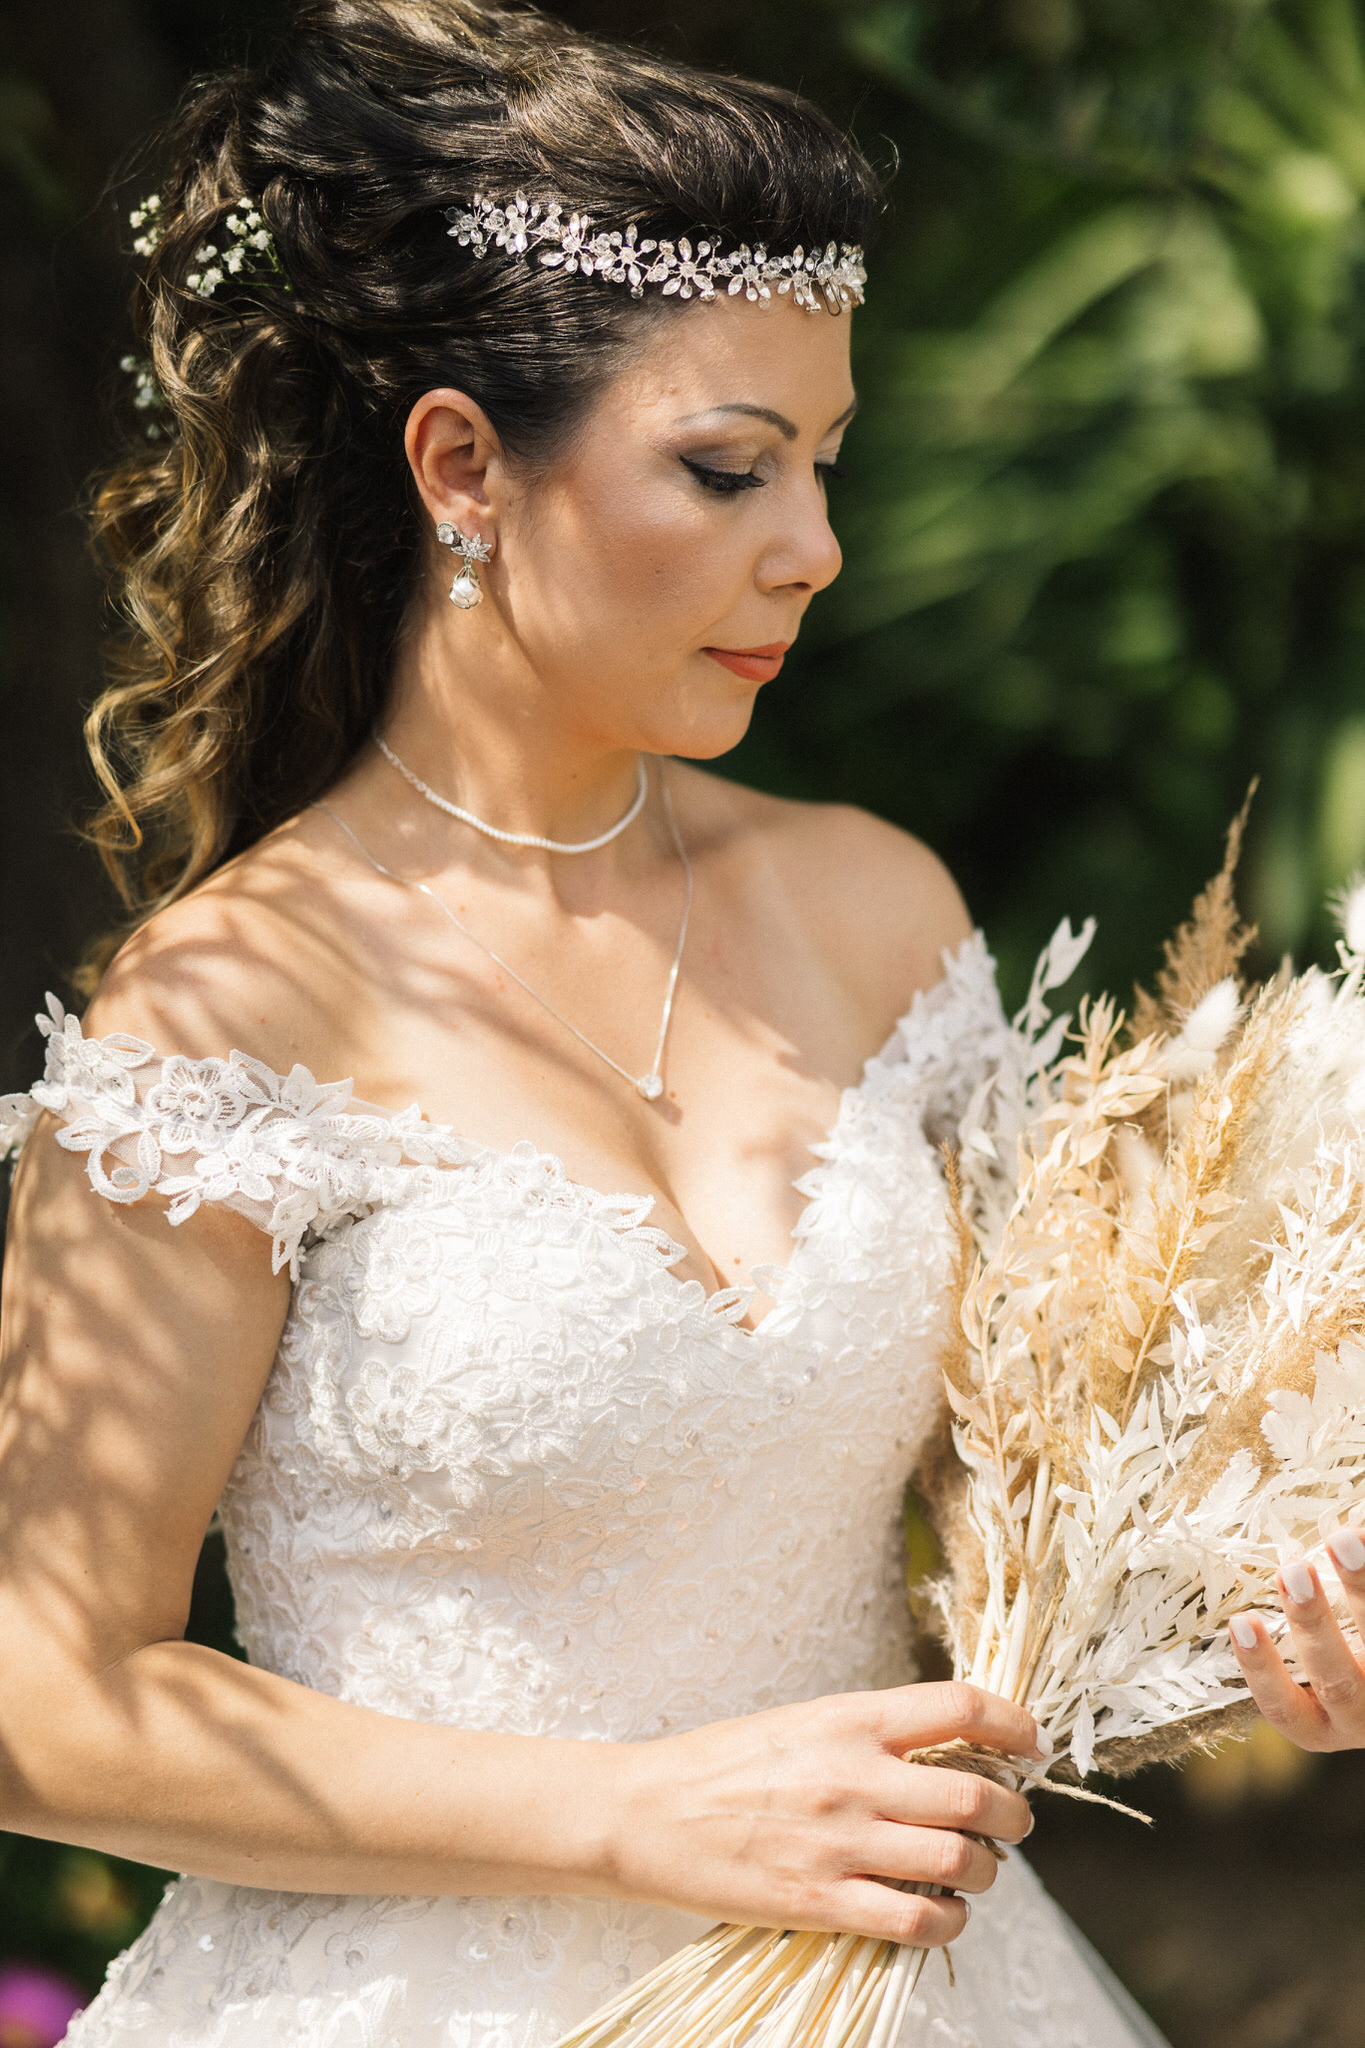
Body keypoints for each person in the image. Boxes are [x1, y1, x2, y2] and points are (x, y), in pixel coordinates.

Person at [0, 2, 1237, 2041]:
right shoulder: (232, 1010)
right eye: (725, 469)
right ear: (462, 467)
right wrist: (631, 1817)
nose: (812, 547)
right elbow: (47, 1699)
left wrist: (1237, 1630)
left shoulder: (873, 910)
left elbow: (1016, 1545)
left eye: (823, 464)